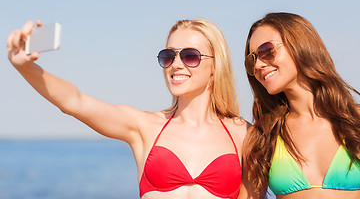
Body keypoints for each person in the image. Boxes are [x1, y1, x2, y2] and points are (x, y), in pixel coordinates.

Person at [7, 18, 248, 199]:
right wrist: (25, 67)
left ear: (216, 65)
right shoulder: (144, 126)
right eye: (168, 56)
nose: (176, 64)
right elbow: (74, 101)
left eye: (189, 56)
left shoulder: (243, 135)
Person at [238, 12, 360, 199]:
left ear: (300, 44)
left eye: (266, 51)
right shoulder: (263, 136)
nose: (259, 65)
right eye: (251, 60)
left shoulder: (356, 120)